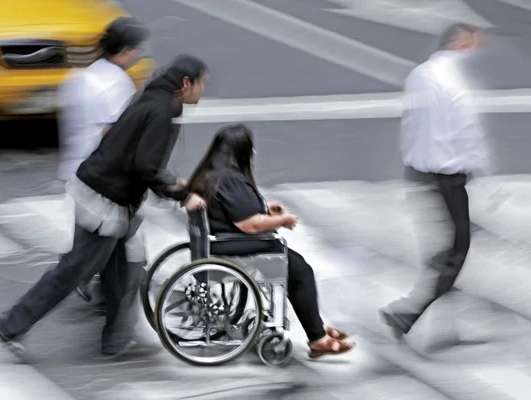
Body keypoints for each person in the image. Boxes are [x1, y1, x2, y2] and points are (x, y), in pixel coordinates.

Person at [0, 55, 208, 358]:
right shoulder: (161, 111)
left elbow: (139, 157)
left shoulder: (152, 98)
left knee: (126, 268)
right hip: (105, 202)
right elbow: (146, 165)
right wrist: (181, 194)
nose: (203, 90)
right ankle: (10, 324)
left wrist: (172, 183)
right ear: (186, 84)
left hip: (109, 196)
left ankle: (116, 341)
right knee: (72, 272)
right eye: (202, 83)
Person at [185, 124, 355, 358]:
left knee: (296, 268)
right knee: (299, 270)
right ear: (240, 151)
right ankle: (317, 338)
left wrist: (266, 208)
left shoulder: (210, 174)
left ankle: (315, 326)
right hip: (230, 245)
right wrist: (282, 220)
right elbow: (249, 224)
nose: (253, 153)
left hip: (216, 242)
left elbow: (234, 210)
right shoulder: (231, 179)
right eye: (250, 148)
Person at [378, 23, 490, 341]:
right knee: (457, 248)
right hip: (448, 176)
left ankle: (445, 319)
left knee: (446, 246)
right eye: (473, 46)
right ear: (461, 45)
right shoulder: (453, 81)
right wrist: (485, 177)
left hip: (419, 173)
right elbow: (467, 132)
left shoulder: (419, 75)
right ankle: (409, 312)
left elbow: (410, 123)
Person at [56, 16, 151, 304]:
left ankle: (103, 288)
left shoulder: (80, 76)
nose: (141, 54)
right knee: (110, 240)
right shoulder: (118, 86)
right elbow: (116, 135)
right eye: (138, 49)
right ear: (125, 50)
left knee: (102, 241)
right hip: (102, 179)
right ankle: (94, 286)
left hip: (76, 171)